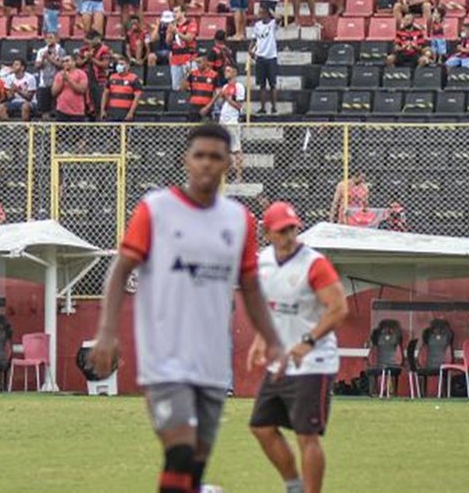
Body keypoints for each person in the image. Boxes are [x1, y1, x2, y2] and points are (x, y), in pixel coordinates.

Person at [90, 123, 283, 493]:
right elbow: (119, 271)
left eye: (215, 156)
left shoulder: (239, 220)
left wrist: (271, 337)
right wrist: (106, 331)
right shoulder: (156, 210)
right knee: (180, 452)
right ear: (186, 160)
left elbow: (252, 287)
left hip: (211, 363)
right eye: (199, 156)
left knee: (192, 469)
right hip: (165, 358)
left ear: (229, 162)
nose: (207, 164)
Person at [249, 202, 348, 493]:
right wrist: (259, 339)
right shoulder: (262, 262)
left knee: (307, 436)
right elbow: (268, 308)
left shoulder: (313, 264)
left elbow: (339, 309)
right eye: (281, 230)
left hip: (314, 361)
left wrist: (308, 342)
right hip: (280, 361)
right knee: (261, 427)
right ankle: (294, 485)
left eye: (292, 228)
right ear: (267, 233)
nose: (289, 235)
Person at [51, 54, 89, 123]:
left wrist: (69, 80)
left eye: (67, 61)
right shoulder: (59, 75)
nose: (65, 63)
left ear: (74, 62)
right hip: (62, 111)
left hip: (77, 112)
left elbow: (82, 90)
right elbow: (54, 92)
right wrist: (62, 80)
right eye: (63, 62)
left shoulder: (81, 74)